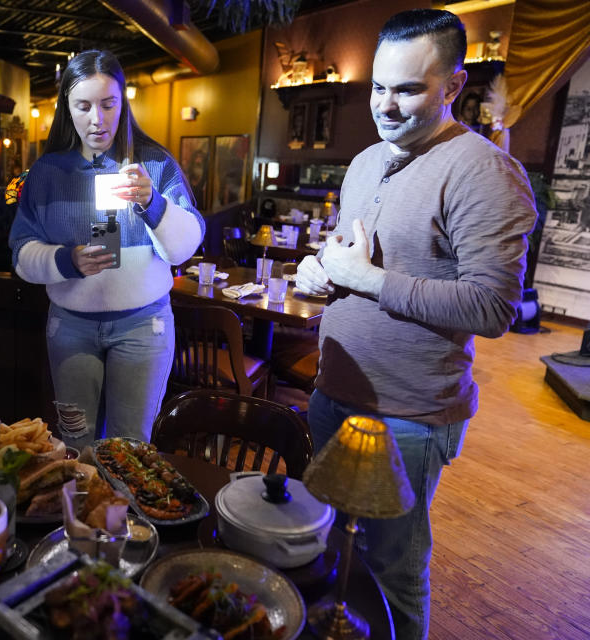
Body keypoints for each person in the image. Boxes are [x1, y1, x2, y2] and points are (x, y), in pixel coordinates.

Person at [295, 10, 535, 639]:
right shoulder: (366, 162)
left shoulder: (485, 171)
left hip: (405, 416)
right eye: (378, 87)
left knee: (389, 570)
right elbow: (355, 253)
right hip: (332, 395)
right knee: (330, 554)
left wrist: (368, 279)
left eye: (407, 89)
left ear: (453, 86)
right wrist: (321, 271)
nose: (386, 104)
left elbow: (492, 307)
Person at [9, 50, 204, 446]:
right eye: (83, 106)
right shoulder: (46, 173)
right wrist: (67, 260)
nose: (96, 119)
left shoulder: (156, 164)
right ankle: (84, 510)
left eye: (108, 104)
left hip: (143, 326)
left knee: (129, 447)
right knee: (75, 442)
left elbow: (183, 248)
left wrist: (153, 203)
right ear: (67, 107)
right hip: (71, 326)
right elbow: (21, 253)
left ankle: (125, 512)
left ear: (123, 103)